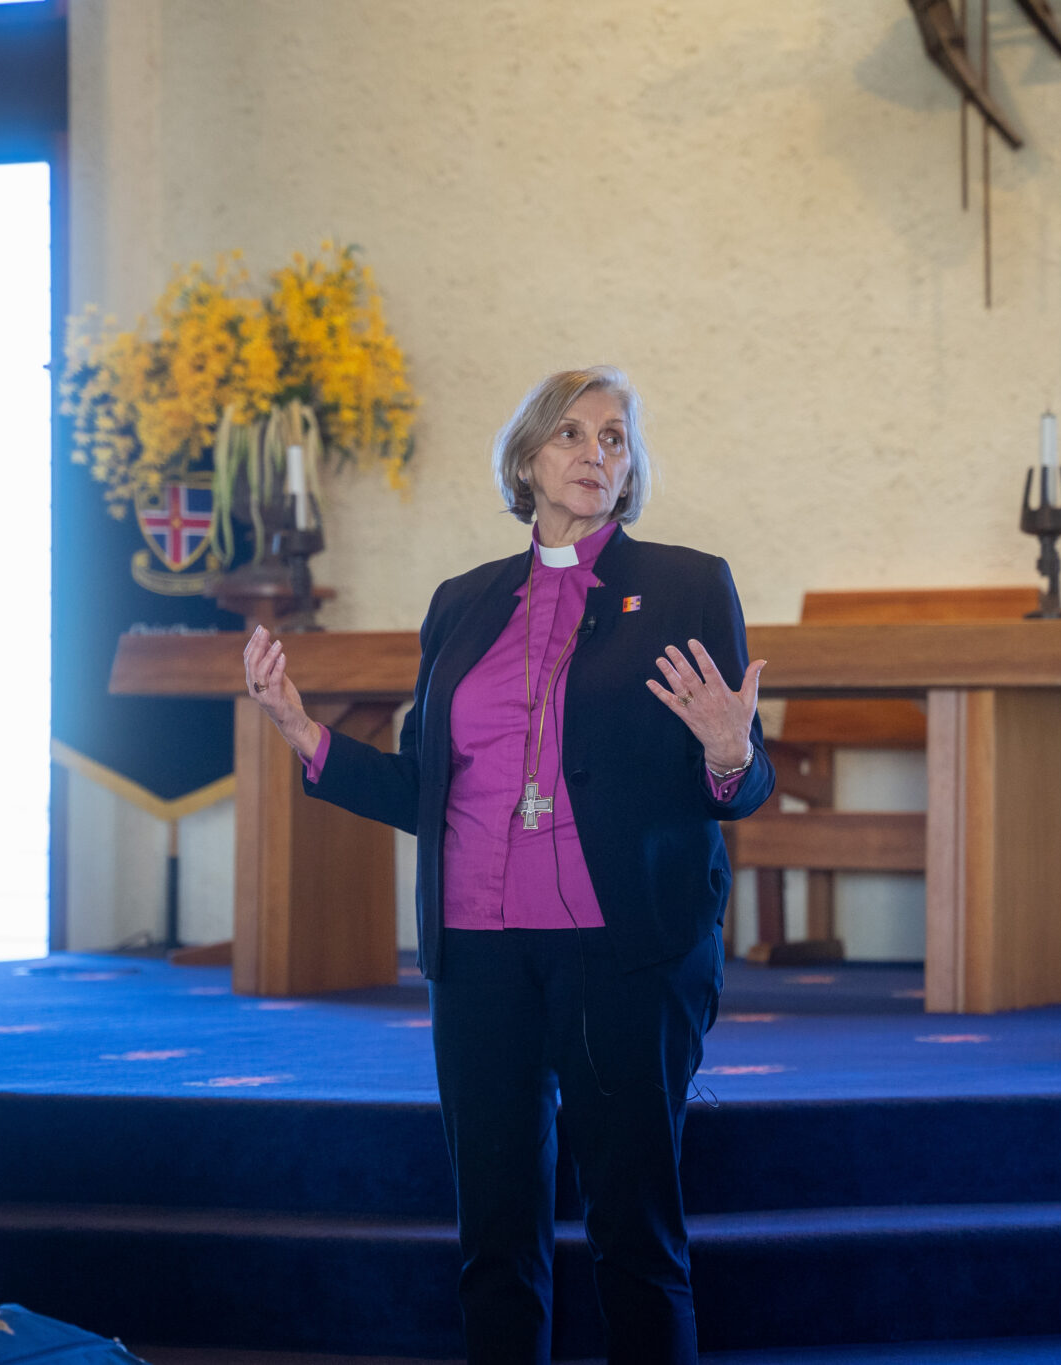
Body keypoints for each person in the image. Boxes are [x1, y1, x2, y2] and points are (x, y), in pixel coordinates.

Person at [242, 365, 773, 1364]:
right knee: (492, 1234)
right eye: (570, 435)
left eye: (614, 438)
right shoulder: (462, 603)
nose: (595, 454)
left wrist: (727, 753)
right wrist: (305, 735)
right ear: (526, 460)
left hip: (624, 951)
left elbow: (741, 780)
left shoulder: (687, 585)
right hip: (478, 956)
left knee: (634, 1232)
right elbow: (429, 792)